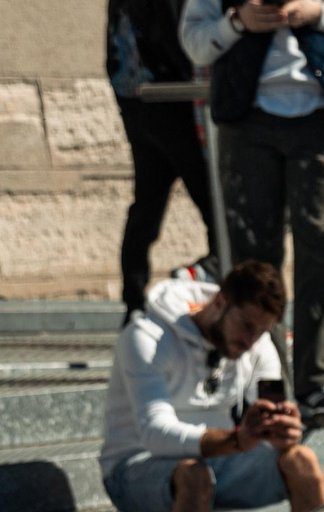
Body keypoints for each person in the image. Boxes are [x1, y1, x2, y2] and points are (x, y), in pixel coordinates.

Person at [182, 0, 324, 437]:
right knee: (252, 264)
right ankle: (265, 384)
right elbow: (195, 43)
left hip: (320, 121)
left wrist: (319, 14)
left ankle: (322, 385)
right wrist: (238, 21)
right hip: (247, 121)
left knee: (322, 254)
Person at [101, 260, 324, 512]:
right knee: (194, 474)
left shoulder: (257, 343)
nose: (252, 340)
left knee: (301, 460)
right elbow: (154, 433)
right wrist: (236, 440)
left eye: (263, 331)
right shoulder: (146, 337)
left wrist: (282, 433)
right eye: (247, 326)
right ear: (220, 303)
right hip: (134, 471)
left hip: (217, 462)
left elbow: (273, 409)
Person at [108, 0, 216, 316]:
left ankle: (134, 302)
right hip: (170, 101)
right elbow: (175, 39)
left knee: (147, 206)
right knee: (213, 205)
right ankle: (205, 279)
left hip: (138, 101)